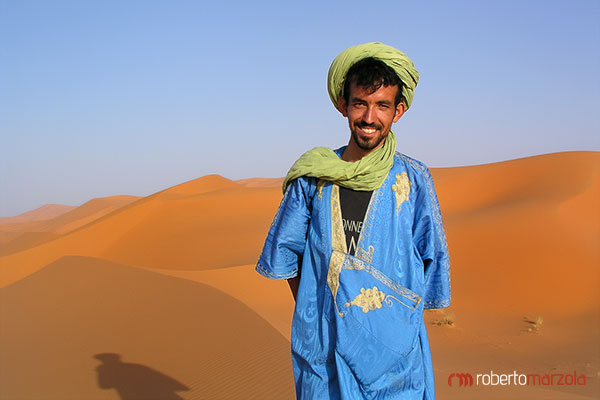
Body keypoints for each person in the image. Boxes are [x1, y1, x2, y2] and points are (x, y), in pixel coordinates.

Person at [255, 42, 451, 399]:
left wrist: (394, 322)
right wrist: (318, 310)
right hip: (323, 350)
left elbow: (432, 258)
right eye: (360, 103)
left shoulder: (414, 179)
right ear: (344, 105)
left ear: (399, 111)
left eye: (382, 106)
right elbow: (285, 254)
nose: (369, 117)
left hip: (395, 358)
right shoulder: (312, 178)